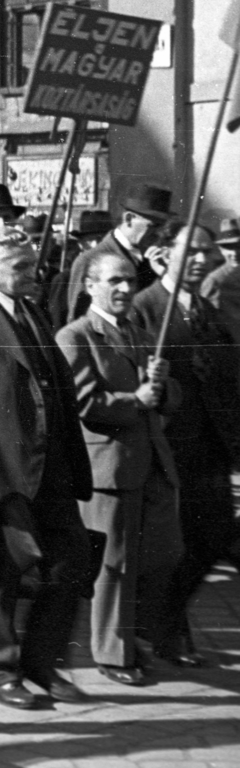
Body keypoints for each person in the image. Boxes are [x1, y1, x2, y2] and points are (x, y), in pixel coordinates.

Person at [0, 228, 94, 708]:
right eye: (22, 267)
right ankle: (1, 671)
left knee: (69, 563)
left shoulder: (33, 310)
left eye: (33, 264)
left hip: (50, 465)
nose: (35, 274)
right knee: (0, 572)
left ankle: (42, 663)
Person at [55, 253, 181, 686]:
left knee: (157, 555)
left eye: (129, 280)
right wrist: (136, 401)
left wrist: (163, 385)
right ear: (91, 285)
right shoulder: (76, 337)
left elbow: (169, 397)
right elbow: (84, 405)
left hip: (150, 462)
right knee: (114, 564)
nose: (125, 289)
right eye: (114, 281)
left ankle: (130, 639)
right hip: (110, 467)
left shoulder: (141, 335)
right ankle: (112, 653)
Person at [129, 222, 236, 668]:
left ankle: (163, 624)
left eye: (206, 253)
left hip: (211, 444)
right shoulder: (144, 308)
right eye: (190, 251)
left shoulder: (209, 310)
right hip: (168, 442)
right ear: (165, 253)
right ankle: (165, 631)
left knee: (212, 537)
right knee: (172, 545)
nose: (199, 260)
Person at [62, 186, 172, 324]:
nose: (159, 233)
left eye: (162, 227)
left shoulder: (153, 262)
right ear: (129, 219)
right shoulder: (89, 260)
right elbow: (78, 323)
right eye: (153, 225)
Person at [199, 217, 240, 346]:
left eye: (238, 246)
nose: (234, 253)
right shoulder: (214, 280)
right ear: (221, 250)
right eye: (228, 247)